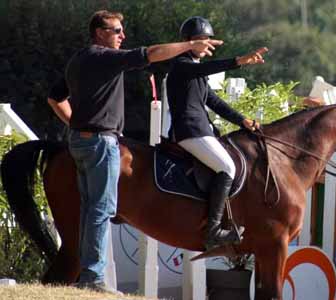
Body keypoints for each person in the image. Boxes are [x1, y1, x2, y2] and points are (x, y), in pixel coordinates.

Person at [47, 10, 223, 294]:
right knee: (101, 210)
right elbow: (152, 53)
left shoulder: (78, 59)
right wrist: (190, 46)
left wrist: (78, 125)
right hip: (101, 143)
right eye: (117, 31)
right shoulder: (105, 58)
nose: (122, 36)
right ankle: (93, 278)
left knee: (90, 210)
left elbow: (54, 98)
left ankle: (87, 275)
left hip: (80, 141)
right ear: (100, 32)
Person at [166, 16, 267, 250]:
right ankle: (213, 232)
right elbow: (208, 68)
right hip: (189, 131)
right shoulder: (181, 65)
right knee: (228, 167)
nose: (205, 44)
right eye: (199, 40)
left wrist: (243, 120)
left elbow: (215, 102)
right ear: (187, 42)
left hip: (201, 130)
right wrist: (239, 60)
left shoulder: (196, 71)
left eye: (207, 40)